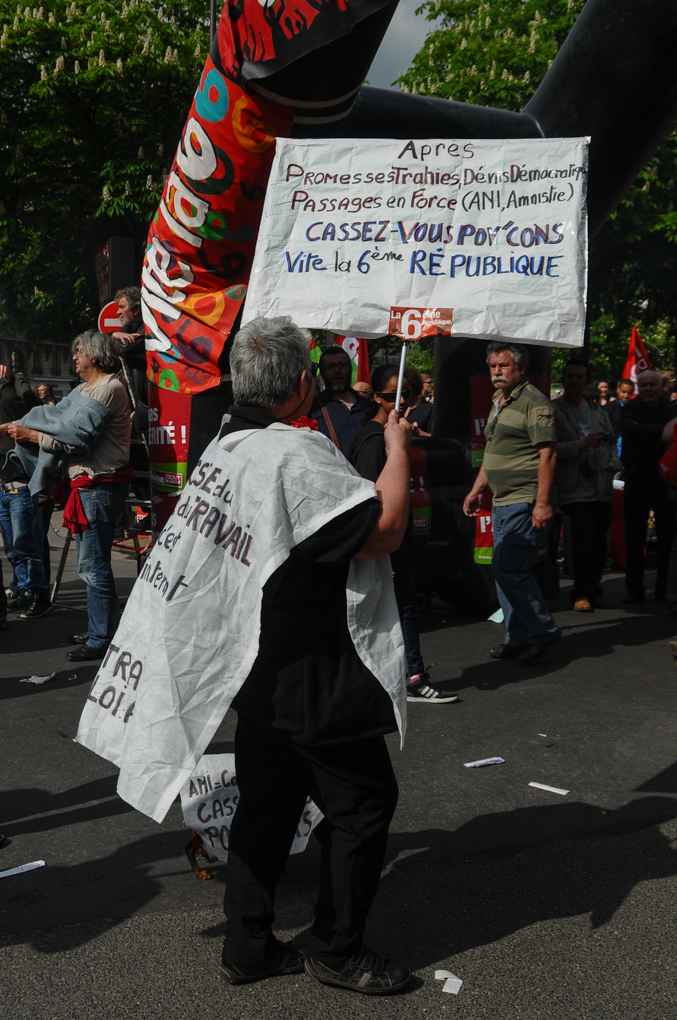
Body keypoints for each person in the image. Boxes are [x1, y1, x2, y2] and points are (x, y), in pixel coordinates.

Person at [76, 316, 413, 994]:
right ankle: (336, 947)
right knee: (364, 805)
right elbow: (383, 530)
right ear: (298, 382)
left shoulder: (228, 445)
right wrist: (398, 447)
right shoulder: (290, 454)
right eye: (313, 373)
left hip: (254, 670)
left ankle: (248, 946)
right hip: (310, 673)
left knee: (267, 805)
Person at [1, 330, 132, 655]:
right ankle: (100, 631)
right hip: (88, 488)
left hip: (99, 488)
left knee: (93, 565)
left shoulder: (108, 388)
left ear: (95, 355)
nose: (74, 357)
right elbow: (57, 420)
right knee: (92, 564)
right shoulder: (87, 389)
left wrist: (30, 434)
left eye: (78, 351)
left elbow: (76, 438)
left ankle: (101, 638)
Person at [349, 363, 457, 703]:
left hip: (392, 538)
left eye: (410, 392)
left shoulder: (390, 434)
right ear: (381, 398)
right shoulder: (371, 440)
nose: (408, 400)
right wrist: (380, 545)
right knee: (403, 605)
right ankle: (411, 675)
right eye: (400, 394)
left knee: (397, 605)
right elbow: (368, 496)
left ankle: (397, 674)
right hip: (384, 540)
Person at [463, 341, 561, 664]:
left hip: (524, 500)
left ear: (521, 368)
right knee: (504, 570)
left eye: (503, 366)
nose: (496, 372)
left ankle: (543, 631)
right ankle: (517, 637)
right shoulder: (499, 401)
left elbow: (547, 455)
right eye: (492, 366)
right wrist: (478, 489)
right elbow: (492, 452)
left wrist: (542, 503)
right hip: (502, 501)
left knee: (509, 569)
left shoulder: (535, 403)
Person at [553, 360, 621, 612]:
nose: (575, 381)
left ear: (587, 382)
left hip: (600, 486)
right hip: (572, 489)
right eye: (570, 376)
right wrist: (581, 445)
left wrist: (614, 462)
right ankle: (579, 593)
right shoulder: (554, 411)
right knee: (583, 543)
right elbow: (548, 449)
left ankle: (594, 590)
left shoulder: (598, 411)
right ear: (564, 379)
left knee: (599, 543)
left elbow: (612, 441)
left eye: (580, 377)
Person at [620, 369, 677, 603]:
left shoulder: (671, 407)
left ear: (661, 386)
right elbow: (631, 431)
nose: (649, 389)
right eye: (644, 386)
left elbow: (669, 434)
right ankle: (634, 590)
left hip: (665, 482)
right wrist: (661, 432)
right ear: (638, 388)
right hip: (636, 479)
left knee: (667, 538)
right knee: (634, 538)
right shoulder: (630, 409)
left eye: (653, 385)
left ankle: (664, 589)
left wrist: (642, 431)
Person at [0, 362, 51, 618]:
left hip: (21, 484)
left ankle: (40, 594)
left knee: (26, 544)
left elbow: (29, 398)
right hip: (4, 485)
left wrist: (14, 377)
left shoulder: (17, 396)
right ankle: (25, 590)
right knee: (12, 547)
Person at [311, 346, 366, 454]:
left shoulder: (367, 405)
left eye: (342, 365)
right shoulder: (314, 408)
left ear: (350, 369)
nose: (337, 370)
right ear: (322, 373)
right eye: (330, 367)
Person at [402, 365, 433, 435]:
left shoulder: (429, 409)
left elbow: (435, 438)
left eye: (406, 390)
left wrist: (416, 431)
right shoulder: (395, 407)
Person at [608, 378, 635, 443]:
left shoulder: (635, 409)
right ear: (618, 389)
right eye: (623, 392)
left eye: (629, 393)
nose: (626, 395)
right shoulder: (608, 408)